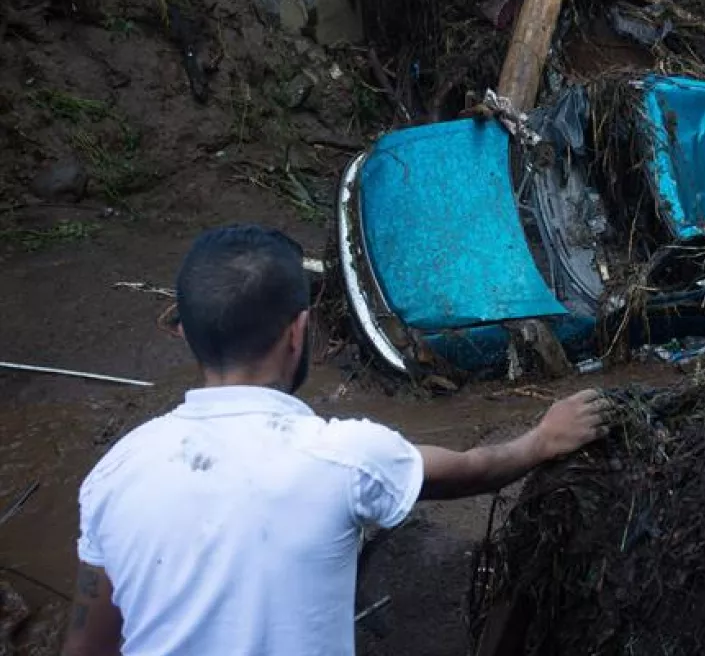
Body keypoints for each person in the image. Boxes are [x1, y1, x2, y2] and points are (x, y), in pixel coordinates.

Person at [62, 225, 609, 656]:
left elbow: (88, 647)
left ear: (185, 331)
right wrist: (541, 440)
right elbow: (471, 470)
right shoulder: (344, 456)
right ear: (298, 331)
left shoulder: (114, 472)